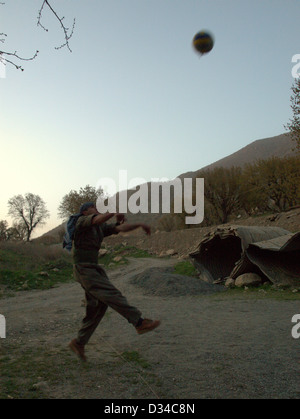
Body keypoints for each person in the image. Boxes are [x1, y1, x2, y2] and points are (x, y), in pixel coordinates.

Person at [68, 202, 160, 361]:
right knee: (111, 294)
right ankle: (139, 322)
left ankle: (79, 342)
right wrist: (115, 211)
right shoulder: (81, 221)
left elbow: (119, 228)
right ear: (85, 212)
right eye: (93, 208)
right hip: (84, 269)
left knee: (97, 308)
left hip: (93, 268)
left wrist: (139, 224)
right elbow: (97, 219)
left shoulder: (98, 229)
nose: (96, 210)